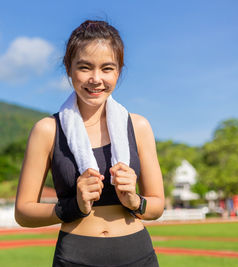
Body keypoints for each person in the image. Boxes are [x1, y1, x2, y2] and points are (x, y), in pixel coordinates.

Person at [15, 20, 164, 266]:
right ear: (68, 68)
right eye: (84, 67)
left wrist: (135, 201)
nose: (96, 79)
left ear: (118, 71)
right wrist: (73, 207)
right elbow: (23, 212)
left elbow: (157, 206)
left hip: (138, 255)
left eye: (107, 68)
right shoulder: (47, 130)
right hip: (75, 258)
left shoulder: (138, 126)